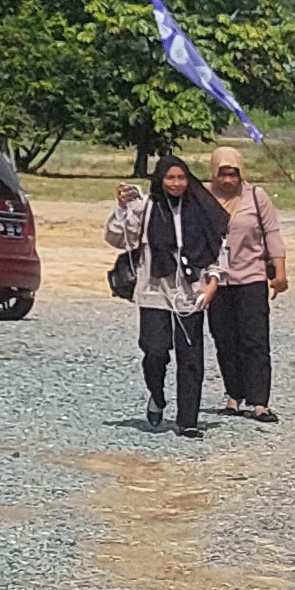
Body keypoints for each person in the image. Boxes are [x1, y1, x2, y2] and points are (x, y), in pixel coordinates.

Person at [104, 151, 230, 435]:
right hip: (154, 289)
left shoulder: (200, 209)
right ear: (159, 180)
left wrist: (212, 283)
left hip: (191, 292)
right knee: (155, 349)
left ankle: (188, 421)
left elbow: (217, 247)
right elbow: (116, 238)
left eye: (182, 177)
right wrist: (123, 209)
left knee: (191, 356)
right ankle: (157, 394)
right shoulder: (146, 208)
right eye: (170, 178)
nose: (176, 184)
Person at [208, 149, 290, 424]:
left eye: (233, 173)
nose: (228, 179)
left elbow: (272, 234)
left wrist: (280, 272)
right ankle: (234, 396)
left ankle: (259, 402)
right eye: (223, 173)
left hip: (251, 277)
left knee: (254, 341)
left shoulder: (256, 197)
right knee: (225, 341)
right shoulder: (203, 197)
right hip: (216, 281)